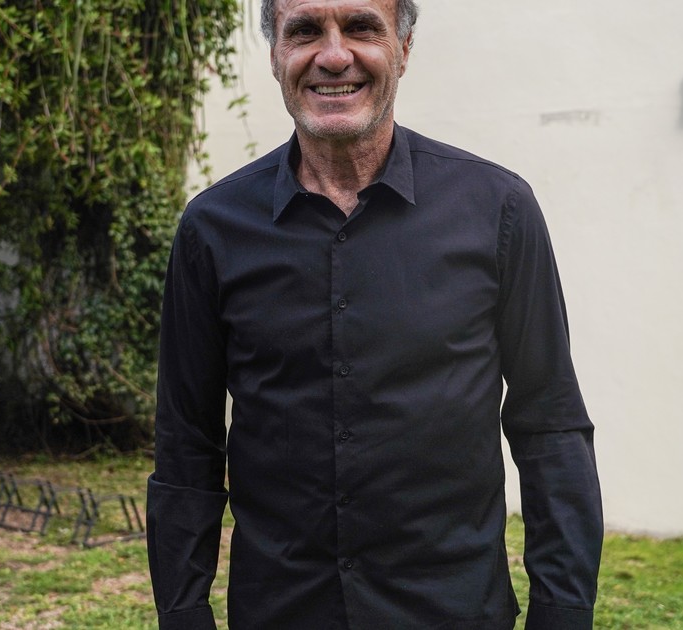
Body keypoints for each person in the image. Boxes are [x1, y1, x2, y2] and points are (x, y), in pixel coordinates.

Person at [147, 0, 603, 628]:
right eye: (305, 31)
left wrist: (562, 613)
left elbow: (550, 425)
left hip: (453, 612)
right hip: (281, 613)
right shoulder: (212, 229)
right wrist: (182, 612)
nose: (334, 56)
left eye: (362, 27)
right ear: (276, 55)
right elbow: (186, 445)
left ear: (404, 49)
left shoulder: (498, 211)